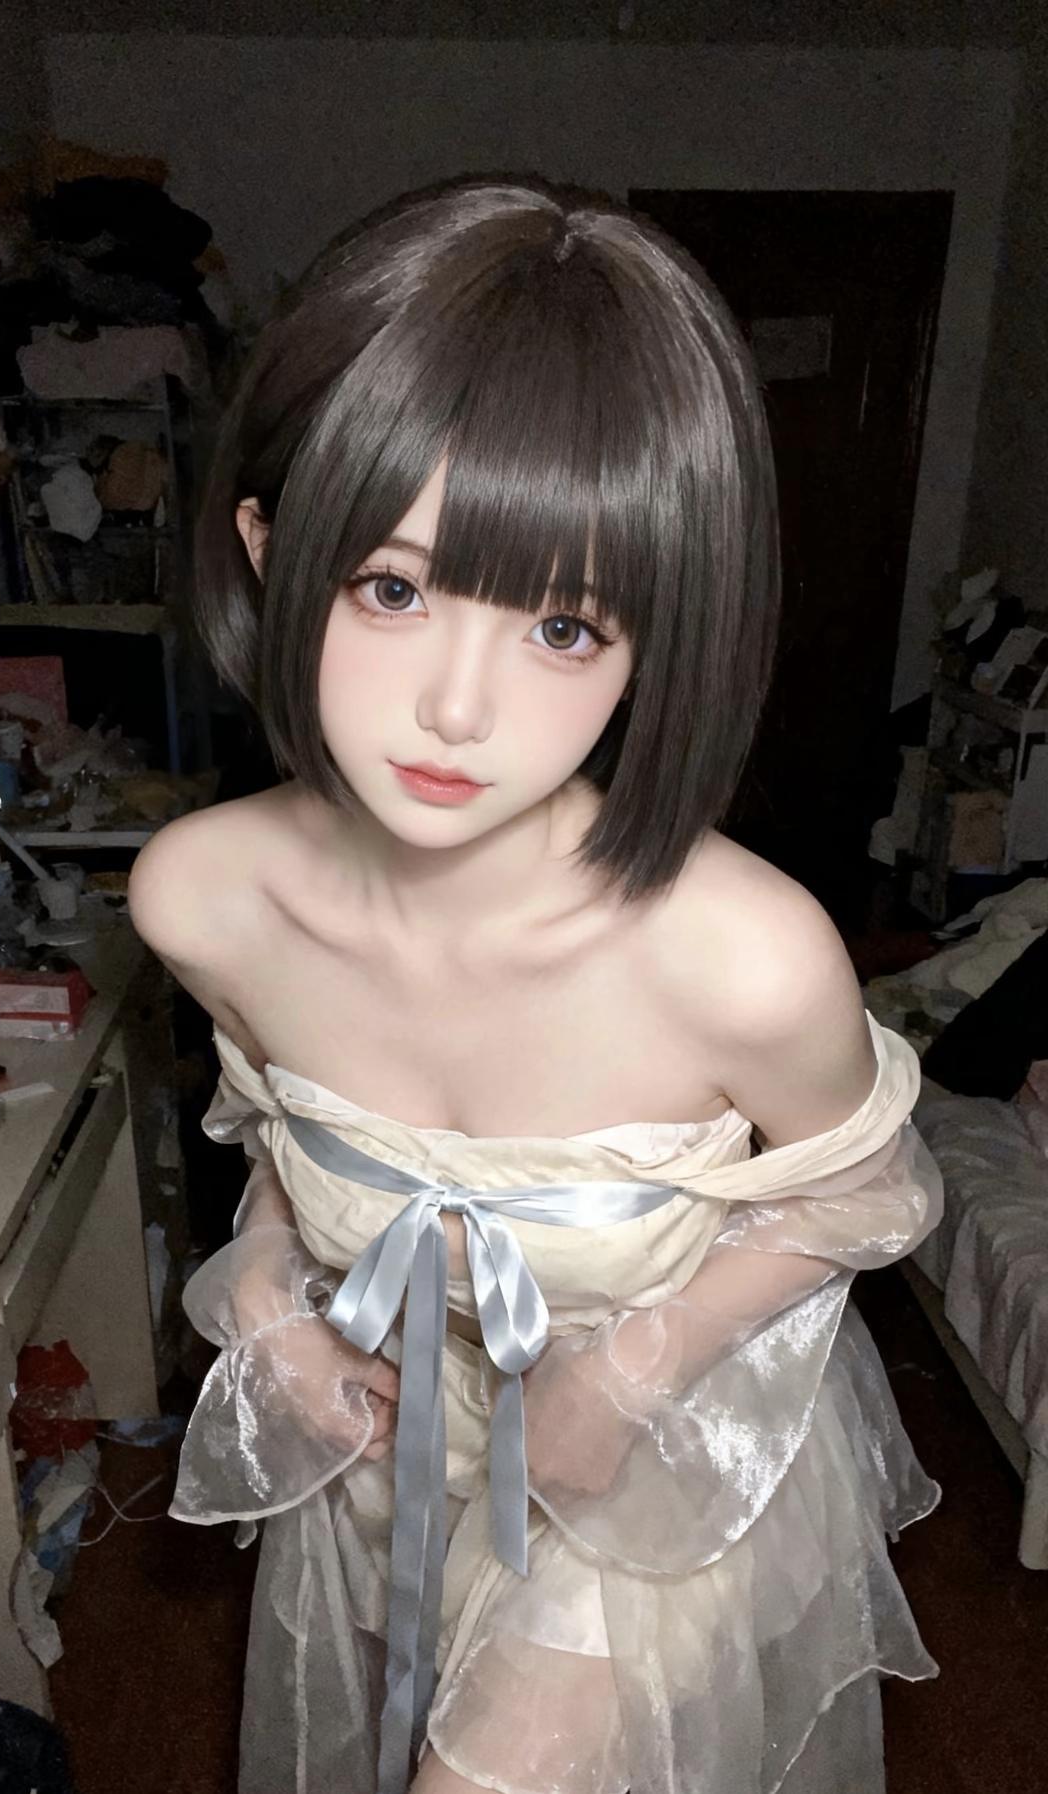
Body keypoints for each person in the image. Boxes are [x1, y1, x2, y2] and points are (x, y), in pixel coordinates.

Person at [128, 173, 944, 1794]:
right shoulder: (204, 898)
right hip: (393, 1460)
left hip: (651, 1480)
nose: (457, 707)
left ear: (658, 636)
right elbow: (283, 1139)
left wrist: (633, 1370)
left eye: (564, 626)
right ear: (270, 548)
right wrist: (275, 1299)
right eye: (392, 586)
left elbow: (871, 1188)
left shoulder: (739, 953)